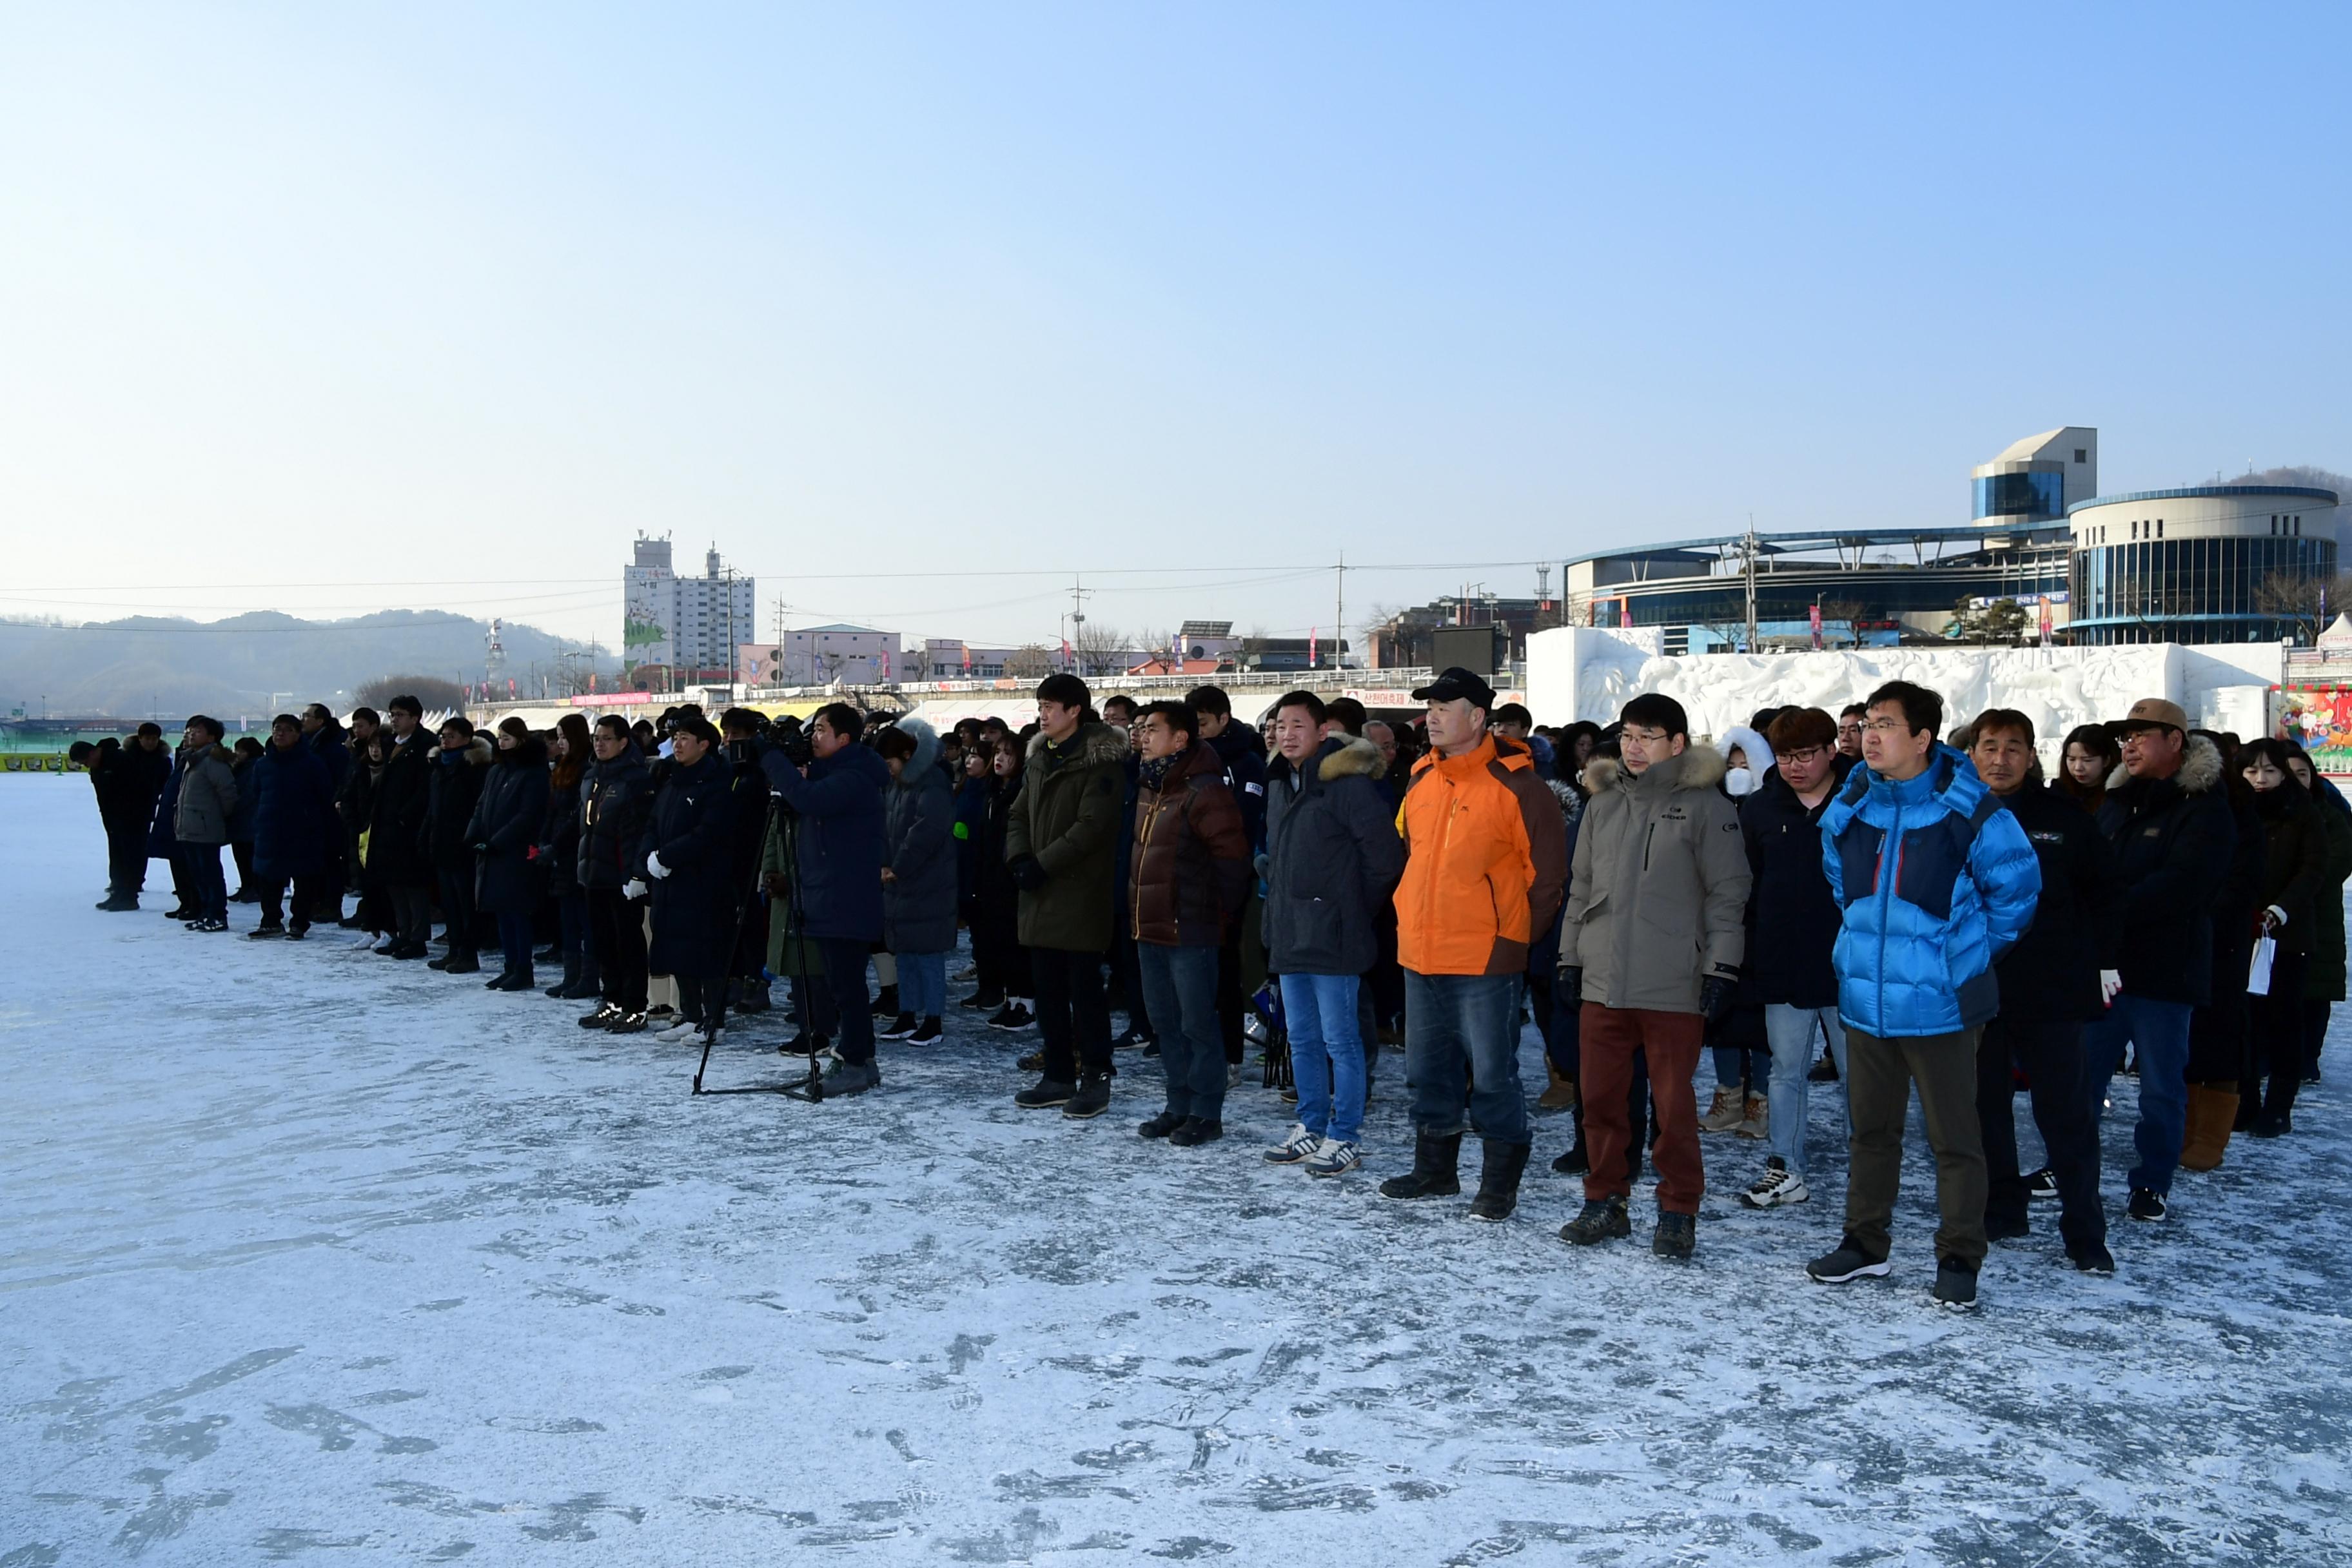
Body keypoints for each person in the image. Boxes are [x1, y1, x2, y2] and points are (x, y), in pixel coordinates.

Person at [1807, 681, 2039, 1311]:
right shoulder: (1852, 800)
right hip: (1866, 1002)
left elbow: (2016, 893)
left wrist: (1959, 958)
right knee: (1870, 1133)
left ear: (1923, 738)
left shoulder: (1972, 808)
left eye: (1885, 724)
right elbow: (1839, 881)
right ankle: (1865, 1244)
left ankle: (1960, 1255)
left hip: (1942, 1006)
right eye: (1865, 724)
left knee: (1955, 1139)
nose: (1869, 736)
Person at [1556, 693, 1749, 1258]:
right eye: (1630, 736)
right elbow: (1582, 889)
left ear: (1678, 744)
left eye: (1649, 736)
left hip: (1673, 980)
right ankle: (1605, 1201)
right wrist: (1570, 955)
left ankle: (1678, 1208)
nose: (1635, 747)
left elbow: (1728, 894)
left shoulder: (1705, 806)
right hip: (1603, 978)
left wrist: (1721, 967)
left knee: (1673, 1107)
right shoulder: (1603, 803)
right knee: (1600, 1101)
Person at [1379, 667, 1567, 1222]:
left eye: (1444, 706)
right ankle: (1435, 1171)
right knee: (1427, 1070)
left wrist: (1512, 938)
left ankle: (1497, 1186)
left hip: (1486, 957)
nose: (1431, 716)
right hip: (1421, 951)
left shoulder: (1520, 787)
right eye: (1429, 707)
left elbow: (1548, 880)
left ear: (1478, 716)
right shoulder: (1420, 780)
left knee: (1492, 1075)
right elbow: (1412, 855)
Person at [1965, 709, 2115, 1273]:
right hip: (1979, 988)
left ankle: (2085, 1230)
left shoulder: (2064, 818)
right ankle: (2002, 1210)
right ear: (1972, 752)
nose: (2000, 758)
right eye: (1989, 746)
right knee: (1985, 1110)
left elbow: (2104, 896)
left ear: (2031, 755)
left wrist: (2102, 965)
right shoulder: (1954, 814)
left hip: (2052, 991)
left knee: (2066, 1115)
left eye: (2013, 747)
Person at [2082, 698, 2237, 1224]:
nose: (2127, 745)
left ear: (2175, 741)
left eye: (2140, 735)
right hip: (2106, 967)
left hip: (2165, 974)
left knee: (2161, 1090)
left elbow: (2183, 886)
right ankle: (2071, 1166)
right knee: (2084, 1078)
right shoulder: (2119, 799)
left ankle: (2152, 1181)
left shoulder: (2206, 807)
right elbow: (2092, 865)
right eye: (2124, 736)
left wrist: (2107, 906)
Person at [1260, 691, 1404, 1177]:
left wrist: (1346, 907)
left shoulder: (1347, 784)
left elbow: (1384, 861)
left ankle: (1345, 1135)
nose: (1286, 734)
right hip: (1289, 930)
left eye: (1297, 725)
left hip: (1336, 934)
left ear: (1323, 732)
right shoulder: (1280, 782)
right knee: (1301, 1038)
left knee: (1341, 1041)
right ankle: (1311, 1126)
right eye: (1280, 725)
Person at [1734, 707, 1850, 1211]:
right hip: (1783, 963)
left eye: (1806, 755)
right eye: (1785, 757)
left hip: (1852, 966)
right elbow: (1748, 885)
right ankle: (1785, 1166)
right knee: (1785, 1071)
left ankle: (1869, 1170)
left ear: (1832, 751)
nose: (1796, 766)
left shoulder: (1861, 800)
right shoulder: (1760, 809)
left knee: (1861, 1076)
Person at [1124, 700, 1251, 1146]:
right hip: (1149, 927)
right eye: (1141, 730)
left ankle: (1206, 1112)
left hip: (1190, 929)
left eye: (1153, 730)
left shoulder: (1204, 790)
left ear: (1180, 738)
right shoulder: (1151, 786)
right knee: (1165, 1025)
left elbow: (1233, 863)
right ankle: (1177, 1105)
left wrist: (1214, 919)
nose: (1143, 738)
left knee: (1198, 1023)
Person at [1003, 676, 1128, 1116]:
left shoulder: (1101, 762)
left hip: (1078, 892)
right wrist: (1019, 858)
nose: (1043, 712)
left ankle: (1096, 1075)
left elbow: (1092, 827)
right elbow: (1016, 813)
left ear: (1075, 710)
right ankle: (1057, 1074)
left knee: (1085, 990)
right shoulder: (1040, 757)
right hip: (1038, 892)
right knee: (1048, 991)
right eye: (1041, 705)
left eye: (1051, 705)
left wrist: (1042, 864)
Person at [762, 702, 892, 1095]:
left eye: (821, 730)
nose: (813, 737)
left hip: (845, 895)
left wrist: (771, 758)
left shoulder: (854, 777)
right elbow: (806, 791)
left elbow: (809, 798)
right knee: (842, 984)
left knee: (847, 987)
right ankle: (860, 1059)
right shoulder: (839, 772)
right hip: (829, 893)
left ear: (845, 738)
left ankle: (855, 1061)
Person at [2235, 738, 2328, 1137]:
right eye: (2252, 770)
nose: (2260, 779)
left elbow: (2313, 868)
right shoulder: (2231, 810)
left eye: (2270, 771)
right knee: (2243, 1021)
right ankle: (2245, 1102)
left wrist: (2279, 910)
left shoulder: (2303, 813)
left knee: (2284, 1021)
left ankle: (2279, 1108)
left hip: (2286, 935)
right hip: (2240, 930)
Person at [641, 718, 740, 1041]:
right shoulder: (672, 781)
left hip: (704, 882)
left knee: (706, 951)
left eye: (685, 738)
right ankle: (690, 1013)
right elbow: (653, 823)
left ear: (704, 745)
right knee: (676, 947)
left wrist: (667, 857)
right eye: (676, 738)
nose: (678, 744)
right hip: (671, 882)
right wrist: (650, 860)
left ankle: (714, 1020)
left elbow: (708, 834)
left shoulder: (716, 783)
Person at [1188, 685, 1269, 1075]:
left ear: (1223, 719)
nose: (1198, 730)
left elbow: (1245, 825)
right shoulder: (1186, 760)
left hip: (1229, 881)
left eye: (1203, 722)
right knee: (1191, 973)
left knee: (1225, 970)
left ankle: (1230, 1056)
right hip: (1188, 881)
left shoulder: (1248, 762)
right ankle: (1198, 1052)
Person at [876, 719, 958, 1044]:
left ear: (908, 755)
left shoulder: (931, 781)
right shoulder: (896, 785)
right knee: (905, 952)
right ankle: (907, 1014)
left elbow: (928, 830)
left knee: (928, 955)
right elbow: (884, 826)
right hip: (899, 881)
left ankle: (933, 1020)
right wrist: (884, 863)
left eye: (890, 763)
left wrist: (898, 866)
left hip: (928, 881)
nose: (888, 770)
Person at [577, 715, 656, 1033]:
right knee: (602, 942)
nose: (600, 743)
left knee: (629, 943)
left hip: (622, 876)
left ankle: (635, 1005)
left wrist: (636, 875)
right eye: (597, 738)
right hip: (594, 872)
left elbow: (642, 831)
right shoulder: (592, 778)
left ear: (624, 742)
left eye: (607, 738)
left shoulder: (636, 780)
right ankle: (611, 1000)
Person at [467, 717, 552, 990]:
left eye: (507, 738)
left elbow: (527, 816)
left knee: (517, 912)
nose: (502, 743)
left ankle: (523, 968)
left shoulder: (534, 773)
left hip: (515, 852)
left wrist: (496, 841)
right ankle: (510, 965)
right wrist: (474, 834)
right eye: (500, 737)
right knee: (501, 911)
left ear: (521, 740)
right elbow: (482, 805)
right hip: (494, 851)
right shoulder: (497, 771)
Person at [246, 713, 338, 940]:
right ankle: (270, 921)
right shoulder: (263, 764)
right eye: (277, 728)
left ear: (298, 734)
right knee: (268, 878)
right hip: (270, 829)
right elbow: (255, 794)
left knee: (304, 879)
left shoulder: (312, 763)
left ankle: (299, 922)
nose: (280, 733)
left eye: (287, 729)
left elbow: (324, 795)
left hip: (303, 830)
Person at [970, 734, 1035, 1027]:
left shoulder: (1023, 790)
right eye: (997, 752)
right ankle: (1012, 999)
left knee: (1018, 944)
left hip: (1014, 879)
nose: (999, 759)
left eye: (1007, 754)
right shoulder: (992, 792)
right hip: (992, 879)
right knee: (1002, 943)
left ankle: (1027, 1004)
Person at [367, 696, 438, 959]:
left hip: (409, 826)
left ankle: (417, 937)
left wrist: (407, 815)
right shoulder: (391, 745)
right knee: (393, 882)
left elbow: (425, 788)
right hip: (387, 824)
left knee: (413, 883)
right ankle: (403, 932)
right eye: (392, 714)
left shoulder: (425, 745)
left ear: (415, 718)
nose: (394, 719)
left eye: (400, 715)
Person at [538, 714, 600, 999]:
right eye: (558, 737)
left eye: (564, 737)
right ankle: (570, 975)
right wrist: (544, 840)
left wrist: (556, 843)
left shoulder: (587, 766)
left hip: (578, 850)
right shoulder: (562, 768)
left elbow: (579, 814)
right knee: (568, 918)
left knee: (584, 917)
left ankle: (588, 977)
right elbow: (552, 809)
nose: (560, 743)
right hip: (561, 852)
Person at [425, 717, 493, 974]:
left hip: (463, 845)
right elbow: (433, 809)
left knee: (466, 904)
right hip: (441, 842)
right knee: (449, 903)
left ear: (466, 739)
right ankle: (453, 949)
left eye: (451, 736)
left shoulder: (474, 768)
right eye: (443, 735)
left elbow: (478, 808)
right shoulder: (439, 767)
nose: (445, 740)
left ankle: (468, 953)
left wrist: (472, 838)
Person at [87, 725, 171, 910]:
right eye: (147, 738)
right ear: (139, 739)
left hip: (143, 811)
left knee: (137, 850)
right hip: (121, 811)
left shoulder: (163, 760)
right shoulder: (127, 756)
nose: (150, 742)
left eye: (154, 739)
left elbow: (164, 784)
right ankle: (119, 885)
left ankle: (132, 887)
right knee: (119, 849)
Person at [172, 716, 240, 932]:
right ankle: (206, 913)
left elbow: (228, 794)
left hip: (205, 828)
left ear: (211, 737)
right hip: (189, 827)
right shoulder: (193, 759)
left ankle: (218, 915)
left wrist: (214, 818)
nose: (191, 734)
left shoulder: (212, 761)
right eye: (190, 730)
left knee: (210, 874)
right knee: (198, 875)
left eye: (198, 731)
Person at [226, 737, 263, 901]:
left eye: (240, 751)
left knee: (250, 856)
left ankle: (255, 888)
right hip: (240, 820)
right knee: (240, 856)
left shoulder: (254, 767)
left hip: (250, 818)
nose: (237, 754)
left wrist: (232, 805)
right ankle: (246, 885)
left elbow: (249, 793)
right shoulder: (240, 768)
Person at [2057, 723, 2121, 816]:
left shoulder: (2120, 797)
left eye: (2087, 760)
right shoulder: (2057, 794)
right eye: (2072, 759)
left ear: (2106, 761)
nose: (2078, 768)